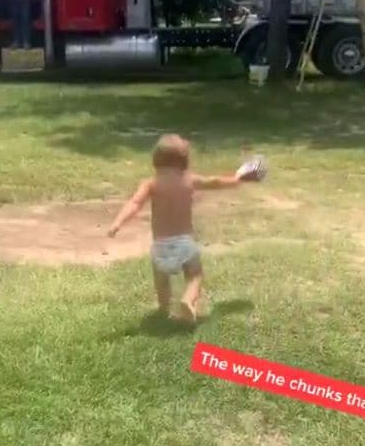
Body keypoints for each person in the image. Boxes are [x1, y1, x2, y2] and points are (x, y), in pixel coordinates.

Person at [107, 134, 255, 322]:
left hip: (160, 244)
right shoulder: (189, 180)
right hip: (184, 243)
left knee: (161, 280)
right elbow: (215, 182)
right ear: (184, 160)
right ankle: (188, 299)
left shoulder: (151, 184)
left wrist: (117, 223)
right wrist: (237, 179)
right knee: (195, 275)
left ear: (156, 159)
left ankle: (163, 308)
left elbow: (135, 203)